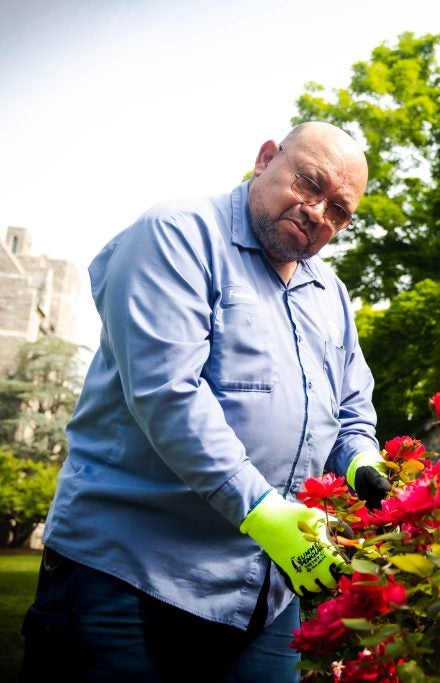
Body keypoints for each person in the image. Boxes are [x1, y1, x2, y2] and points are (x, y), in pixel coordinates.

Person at [19, 121, 393, 682]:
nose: (319, 213)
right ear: (266, 158)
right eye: (310, 184)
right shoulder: (176, 234)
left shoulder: (330, 294)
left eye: (339, 210)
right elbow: (168, 393)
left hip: (265, 593)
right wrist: (261, 511)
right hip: (129, 577)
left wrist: (362, 460)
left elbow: (350, 408)